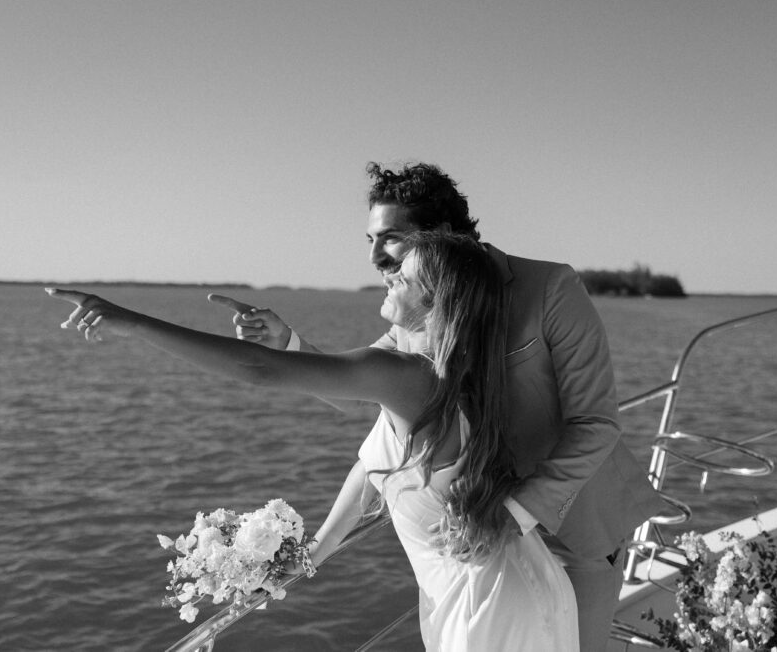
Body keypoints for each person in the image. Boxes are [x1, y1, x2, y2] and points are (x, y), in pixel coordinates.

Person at [210, 161, 667, 652]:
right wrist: (287, 343)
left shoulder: (550, 289)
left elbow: (595, 424)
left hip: (572, 531)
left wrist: (514, 514)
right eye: (369, 239)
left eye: (391, 238)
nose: (375, 257)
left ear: (443, 234)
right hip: (476, 549)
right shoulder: (418, 313)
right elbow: (366, 380)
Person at [47, 231, 580, 651]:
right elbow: (371, 468)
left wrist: (131, 322)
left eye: (404, 274)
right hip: (489, 587)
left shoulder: (404, 376)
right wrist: (308, 556)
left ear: (437, 300)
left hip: (491, 608)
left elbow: (259, 369)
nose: (388, 274)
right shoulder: (444, 373)